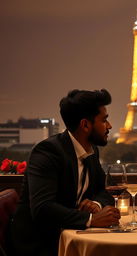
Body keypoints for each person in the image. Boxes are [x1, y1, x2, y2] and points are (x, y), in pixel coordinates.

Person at [7, 89, 120, 256]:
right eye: (104, 120)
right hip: (39, 245)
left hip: (69, 236)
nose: (109, 126)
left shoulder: (91, 150)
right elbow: (42, 209)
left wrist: (95, 204)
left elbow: (103, 190)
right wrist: (91, 219)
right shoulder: (47, 152)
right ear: (85, 125)